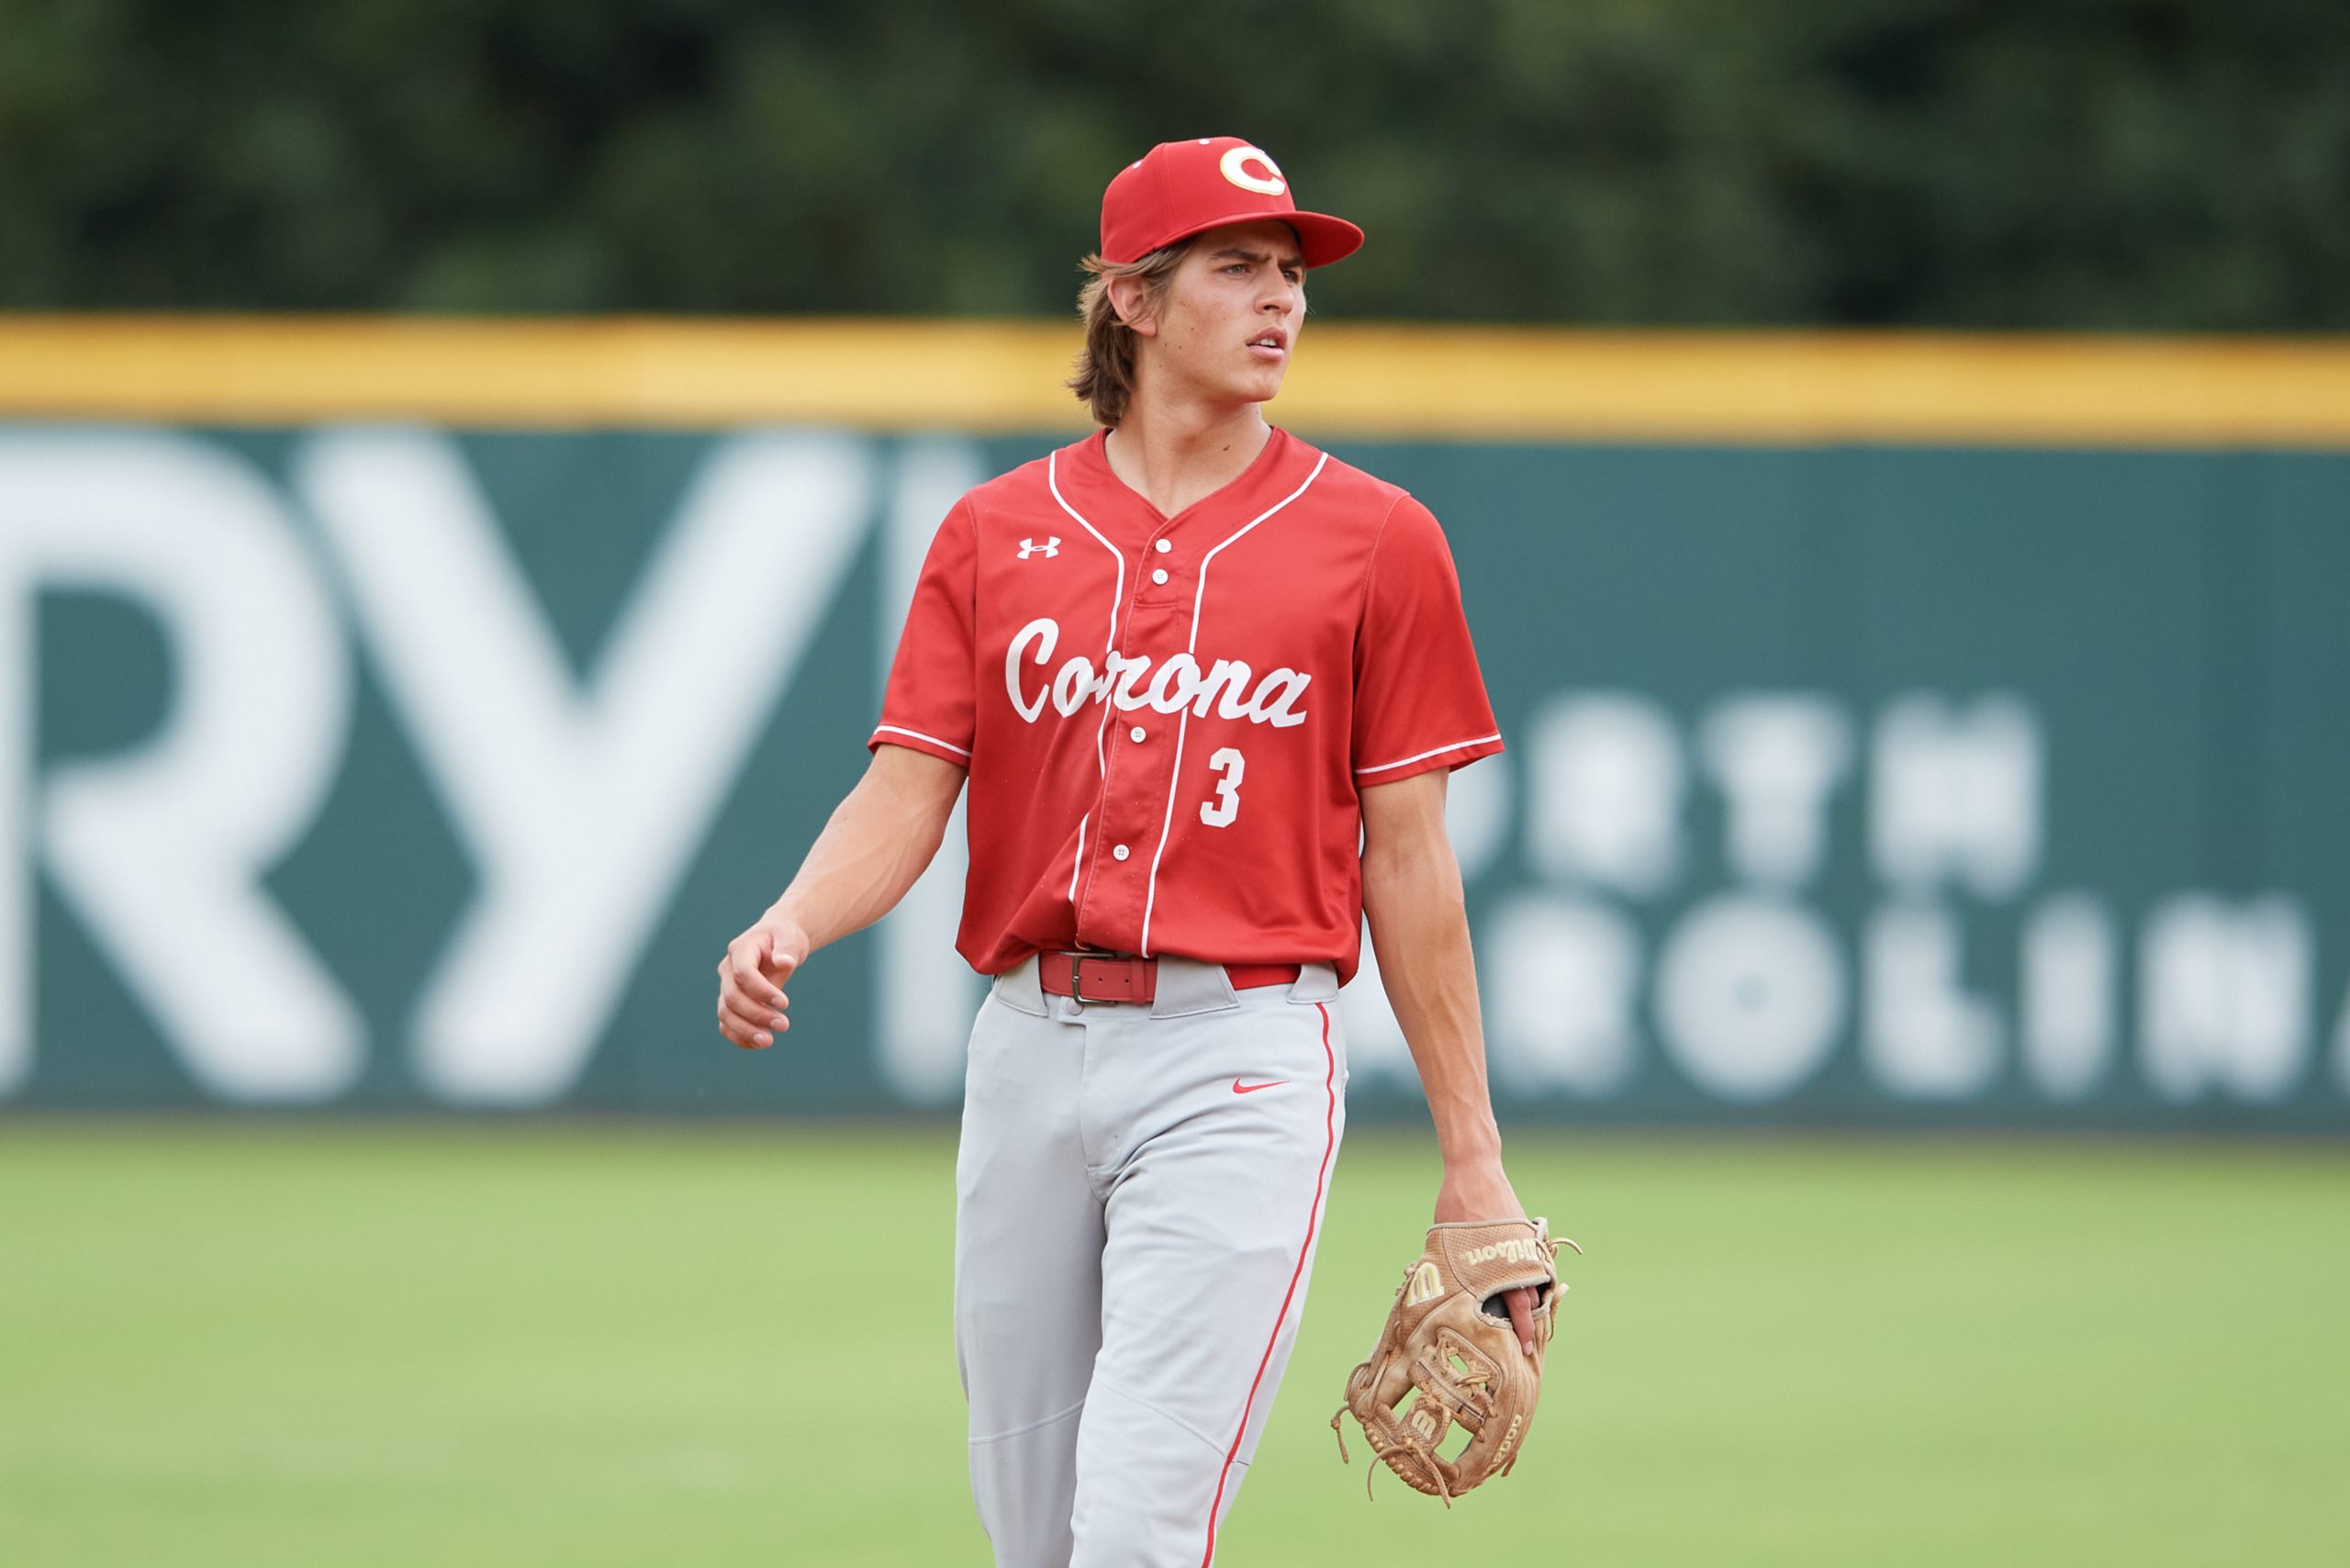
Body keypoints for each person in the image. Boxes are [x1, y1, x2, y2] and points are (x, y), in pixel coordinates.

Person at [715, 135, 1539, 1568]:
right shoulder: (994, 533)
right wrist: (793, 919)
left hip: (1241, 1061)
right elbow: (910, 789)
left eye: (1292, 275)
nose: (1280, 301)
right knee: (1031, 1536)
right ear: (1135, 304)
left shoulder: (1377, 539)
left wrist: (1476, 1159)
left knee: (1140, 1528)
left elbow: (1412, 867)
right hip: (1026, 1050)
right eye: (1237, 269)